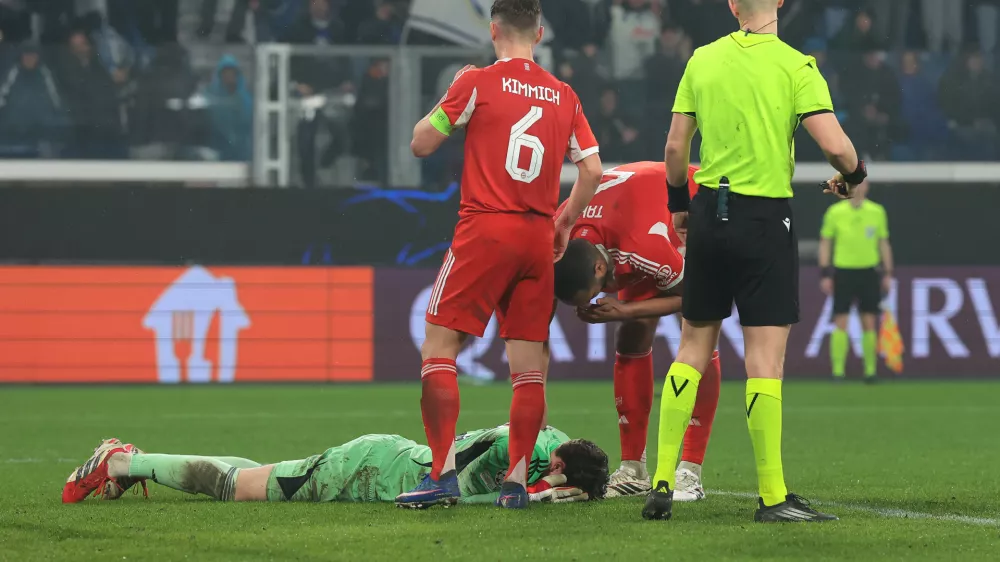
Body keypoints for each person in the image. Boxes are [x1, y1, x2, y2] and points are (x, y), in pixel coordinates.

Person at [643, 0, 866, 523]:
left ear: (731, 5)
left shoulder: (702, 60)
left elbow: (676, 148)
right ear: (780, 2)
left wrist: (680, 206)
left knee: (693, 346)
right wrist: (855, 176)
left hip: (708, 214)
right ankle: (772, 496)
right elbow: (835, 146)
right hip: (764, 219)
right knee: (764, 360)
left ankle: (661, 481)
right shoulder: (796, 66)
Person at [395, 0, 603, 510]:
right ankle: (514, 484)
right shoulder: (564, 94)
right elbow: (593, 170)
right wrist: (566, 218)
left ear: (493, 31)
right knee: (530, 369)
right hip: (537, 237)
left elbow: (421, 144)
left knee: (440, 348)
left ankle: (441, 476)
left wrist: (450, 99)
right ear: (540, 32)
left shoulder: (477, 81)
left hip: (485, 226)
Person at [553, 161, 721, 502]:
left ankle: (690, 470)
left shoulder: (643, 246)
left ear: (601, 267)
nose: (599, 298)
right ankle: (634, 469)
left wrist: (626, 309)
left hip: (693, 209)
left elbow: (701, 298)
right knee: (630, 335)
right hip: (632, 211)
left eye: (597, 291)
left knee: (698, 331)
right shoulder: (559, 233)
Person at [62, 426, 609, 505]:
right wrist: (536, 488)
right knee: (238, 489)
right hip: (362, 471)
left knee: (256, 471)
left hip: (379, 460)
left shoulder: (543, 443)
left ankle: (134, 462)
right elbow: (469, 481)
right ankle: (120, 462)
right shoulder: (533, 448)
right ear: (558, 466)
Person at [819, 180, 893, 382]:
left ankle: (870, 371)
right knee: (840, 320)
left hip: (868, 271)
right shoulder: (835, 212)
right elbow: (826, 243)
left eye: (862, 184)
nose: (859, 187)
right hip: (843, 271)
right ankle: (838, 372)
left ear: (868, 186)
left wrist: (888, 272)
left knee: (869, 321)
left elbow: (883, 242)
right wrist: (825, 273)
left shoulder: (877, 211)